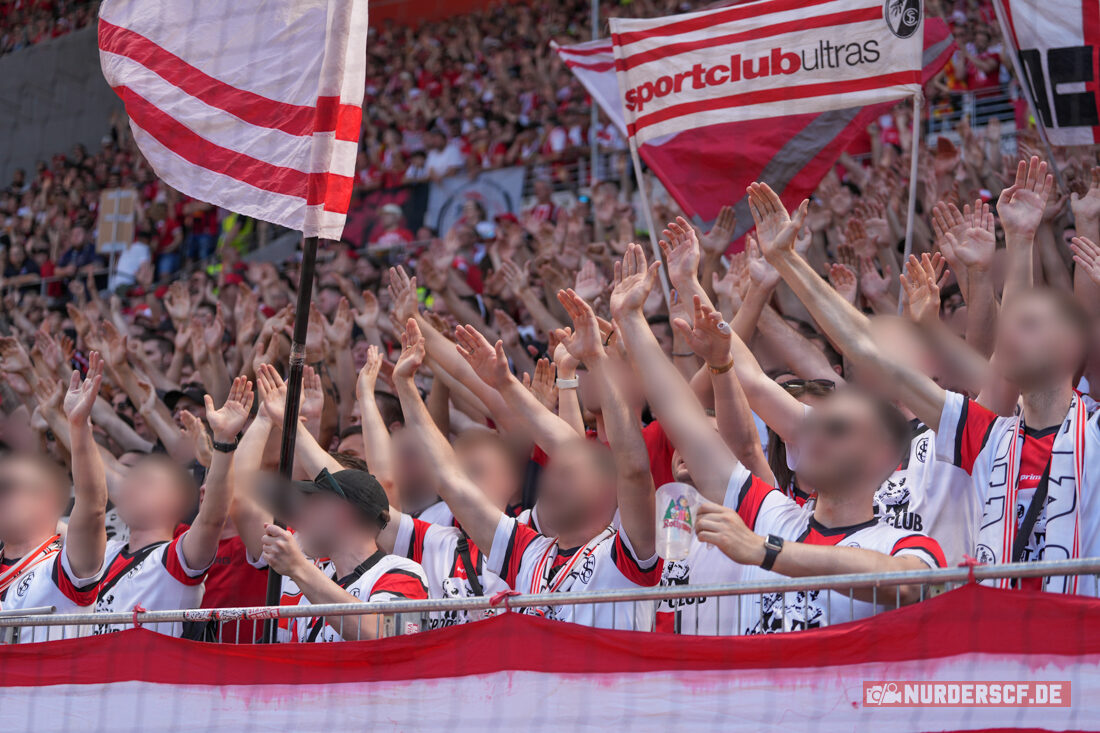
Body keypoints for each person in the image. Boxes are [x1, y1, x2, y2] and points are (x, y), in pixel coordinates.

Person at [749, 165, 1100, 595]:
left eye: (1032, 328)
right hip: (997, 652)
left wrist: (1028, 239)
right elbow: (865, 346)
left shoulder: (1095, 433)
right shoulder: (986, 437)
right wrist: (787, 261)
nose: (1010, 335)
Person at [613, 244, 945, 634]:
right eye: (817, 424)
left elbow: (908, 584)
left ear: (882, 456)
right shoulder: (772, 514)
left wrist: (766, 551)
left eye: (838, 429)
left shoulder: (903, 542)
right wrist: (630, 320)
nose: (816, 433)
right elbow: (683, 418)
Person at [392, 299, 661, 629]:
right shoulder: (529, 553)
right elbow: (450, 480)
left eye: (567, 474)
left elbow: (634, 468)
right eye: (553, 472)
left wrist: (595, 358)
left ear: (607, 491)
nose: (550, 483)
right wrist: (406, 388)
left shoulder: (625, 556)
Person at [231, 364, 429, 642]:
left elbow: (385, 635)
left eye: (313, 500)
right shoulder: (313, 588)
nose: (303, 511)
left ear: (343, 510)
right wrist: (265, 417)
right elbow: (240, 494)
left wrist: (298, 569)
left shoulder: (404, 571)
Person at [78, 377, 252, 636]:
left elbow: (212, 518)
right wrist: (77, 425)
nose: (132, 487)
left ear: (177, 502)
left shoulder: (176, 558)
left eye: (146, 482)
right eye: (133, 479)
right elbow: (89, 486)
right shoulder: (105, 552)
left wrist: (224, 442)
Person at [0, 355, 108, 643]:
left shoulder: (64, 566)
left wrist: (78, 426)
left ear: (45, 501)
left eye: (7, 487)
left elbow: (94, 507)